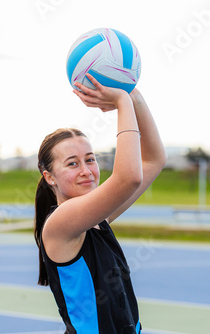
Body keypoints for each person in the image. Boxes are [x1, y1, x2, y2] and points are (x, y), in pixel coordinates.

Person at [34, 73, 166, 334]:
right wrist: (121, 103)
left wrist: (132, 93)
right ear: (49, 177)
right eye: (72, 163)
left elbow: (153, 160)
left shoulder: (96, 220)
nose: (86, 170)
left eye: (90, 159)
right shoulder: (61, 222)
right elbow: (129, 177)